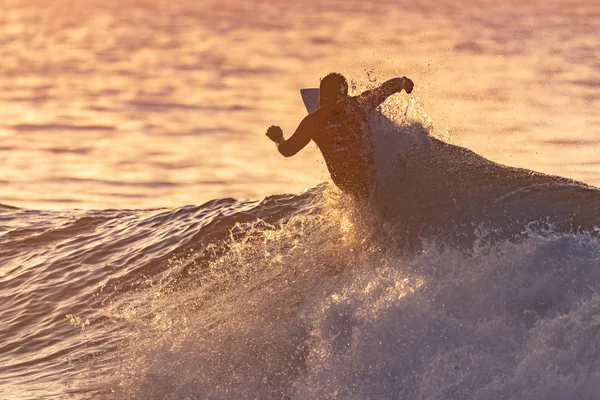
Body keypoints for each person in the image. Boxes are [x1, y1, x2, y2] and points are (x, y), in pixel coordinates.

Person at [265, 73, 414, 199]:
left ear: (322, 97)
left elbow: (287, 150)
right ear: (344, 94)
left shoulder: (313, 122)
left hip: (346, 183)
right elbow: (385, 89)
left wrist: (278, 138)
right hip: (371, 175)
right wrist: (403, 82)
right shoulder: (359, 105)